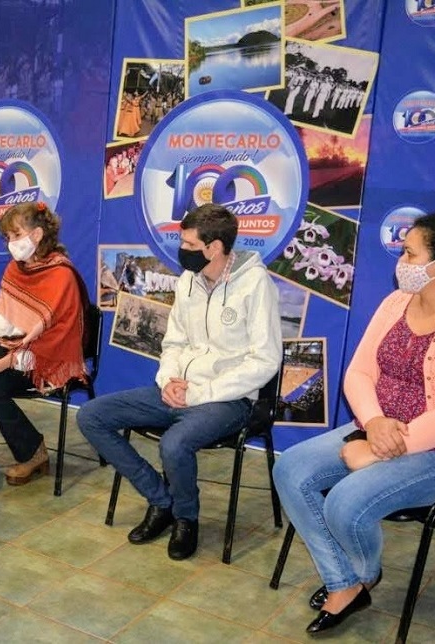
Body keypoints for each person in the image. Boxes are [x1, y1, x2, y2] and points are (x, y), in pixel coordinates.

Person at [272, 212, 435, 635]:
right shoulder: (396, 302)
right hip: (381, 427)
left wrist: (379, 448)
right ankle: (347, 581)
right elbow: (359, 373)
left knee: (345, 503)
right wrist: (373, 423)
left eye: (409, 253)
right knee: (290, 469)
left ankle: (355, 580)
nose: (400, 261)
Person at [77, 203, 282, 560]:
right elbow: (173, 342)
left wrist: (201, 392)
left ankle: (187, 518)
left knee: (174, 445)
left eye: (188, 244)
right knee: (91, 416)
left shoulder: (256, 284)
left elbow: (264, 361)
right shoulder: (189, 279)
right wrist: (168, 380)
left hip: (229, 399)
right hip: (178, 389)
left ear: (214, 247)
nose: (181, 250)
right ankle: (162, 501)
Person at [0, 201, 88, 485]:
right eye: (7, 237)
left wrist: (1, 364)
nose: (11, 243)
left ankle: (33, 452)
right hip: (18, 347)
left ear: (37, 234)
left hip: (51, 359)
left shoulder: (62, 275)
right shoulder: (15, 269)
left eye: (16, 235)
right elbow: (2, 317)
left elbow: (52, 341)